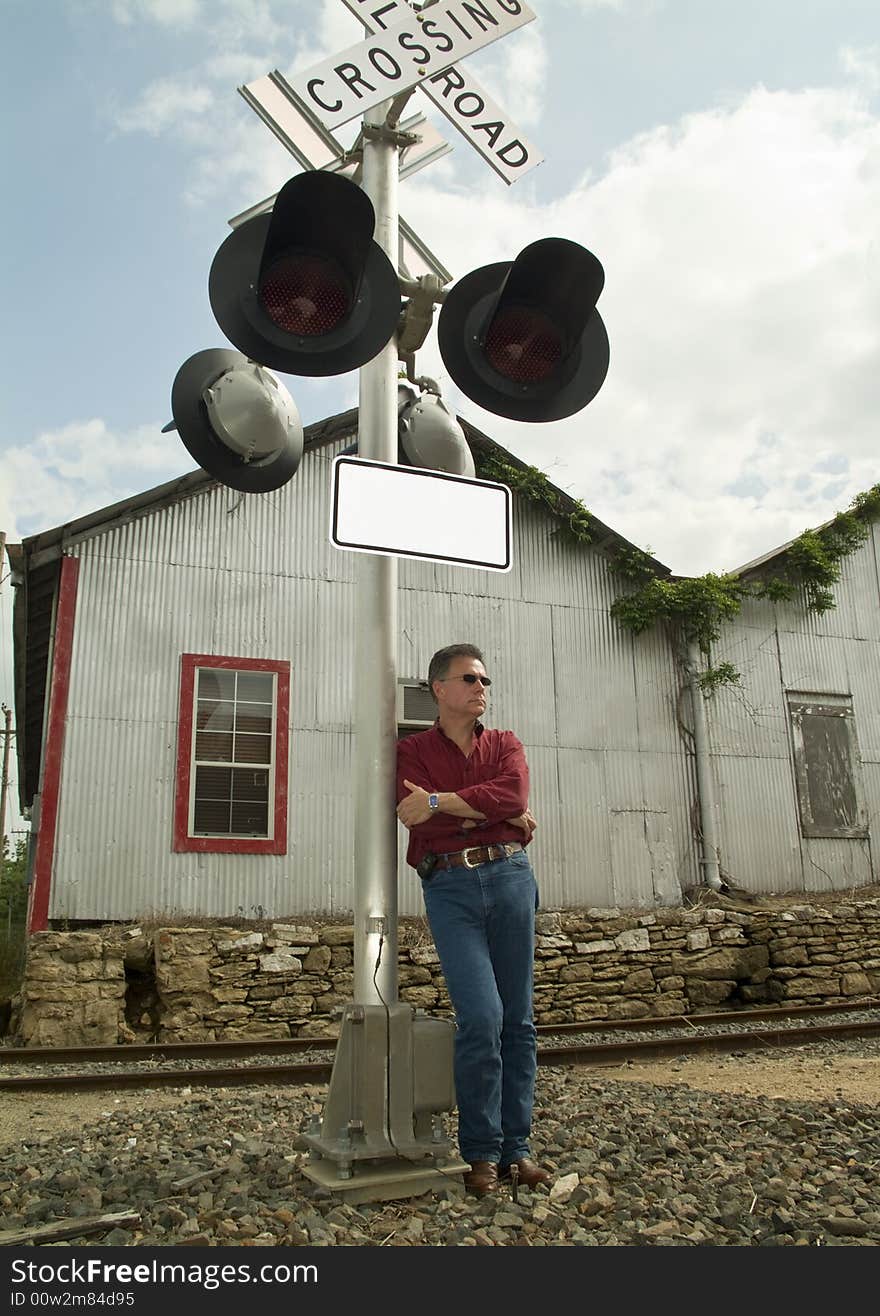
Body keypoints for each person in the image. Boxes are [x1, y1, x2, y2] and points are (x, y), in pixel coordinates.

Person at [396, 643, 552, 1197]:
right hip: (450, 886)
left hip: (510, 879)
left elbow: (513, 793)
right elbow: (418, 820)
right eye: (469, 679)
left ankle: (518, 1152)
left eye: (485, 680)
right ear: (439, 688)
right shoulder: (411, 751)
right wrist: (493, 813)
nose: (481, 688)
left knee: (519, 1022)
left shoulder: (506, 743)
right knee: (481, 1018)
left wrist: (442, 803)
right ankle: (481, 1154)